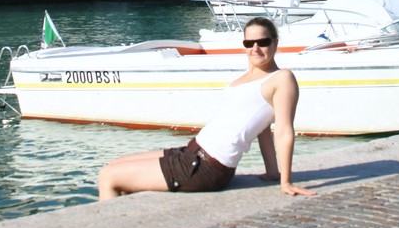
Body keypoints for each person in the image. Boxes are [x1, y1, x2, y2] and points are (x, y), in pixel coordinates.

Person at [98, 18, 316, 200]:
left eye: (263, 42)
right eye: (249, 43)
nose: (255, 48)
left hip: (206, 167)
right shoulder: (248, 78)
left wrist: (285, 181)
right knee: (115, 165)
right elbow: (261, 127)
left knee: (108, 176)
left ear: (275, 43)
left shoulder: (281, 78)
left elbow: (283, 130)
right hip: (193, 153)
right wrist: (271, 172)